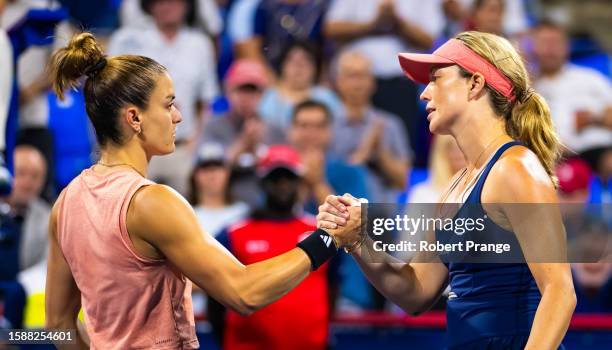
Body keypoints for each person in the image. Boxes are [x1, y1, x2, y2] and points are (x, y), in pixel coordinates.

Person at [44, 32, 363, 349]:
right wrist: (329, 239)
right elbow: (243, 293)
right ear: (134, 117)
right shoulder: (152, 202)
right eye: (168, 105)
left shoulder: (65, 203)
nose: (178, 116)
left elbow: (57, 326)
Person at [318, 31, 576, 349]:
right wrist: (360, 242)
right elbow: (415, 293)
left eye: (436, 78)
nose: (425, 94)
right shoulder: (455, 185)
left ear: (475, 83)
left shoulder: (516, 169)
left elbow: (559, 292)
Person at [208, 145, 336, 350]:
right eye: (275, 179)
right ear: (262, 182)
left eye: (289, 178)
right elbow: (216, 301)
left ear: (299, 182)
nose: (283, 185)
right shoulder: (233, 234)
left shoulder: (322, 233)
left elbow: (332, 287)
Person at [108, 0, 220, 195]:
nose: (168, 6)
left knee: (181, 218)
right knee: (132, 215)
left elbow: (206, 101)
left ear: (187, 5)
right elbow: (111, 93)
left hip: (182, 147)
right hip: (138, 145)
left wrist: (195, 143)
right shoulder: (127, 40)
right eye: (159, 1)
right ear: (149, 5)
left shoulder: (200, 44)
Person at [201, 59, 285, 208]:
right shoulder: (214, 126)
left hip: (267, 207)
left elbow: (282, 174)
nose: (246, 98)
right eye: (241, 90)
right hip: (225, 206)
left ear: (262, 95)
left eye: (252, 91)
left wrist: (257, 150)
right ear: (228, 90)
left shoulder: (274, 130)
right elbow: (207, 170)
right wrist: (243, 143)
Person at [331, 50, 411, 207]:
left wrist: (380, 152)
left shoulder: (390, 124)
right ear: (338, 82)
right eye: (351, 76)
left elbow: (403, 181)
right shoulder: (326, 124)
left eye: (362, 76)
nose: (357, 83)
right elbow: (325, 174)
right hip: (338, 214)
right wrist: (364, 151)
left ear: (373, 82)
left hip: (381, 216)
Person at [531, 20, 612, 167]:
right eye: (545, 42)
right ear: (533, 47)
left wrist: (594, 119)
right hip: (555, 161)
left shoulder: (591, 78)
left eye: (555, 42)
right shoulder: (529, 88)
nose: (550, 49)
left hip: (599, 152)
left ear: (566, 46)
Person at [258, 41, 342, 130]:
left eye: (306, 62)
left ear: (315, 68)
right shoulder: (269, 97)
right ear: (283, 66)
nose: (299, 67)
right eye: (293, 61)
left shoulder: (327, 96)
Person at [188, 142, 249, 238]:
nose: (212, 174)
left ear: (227, 173)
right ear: (195, 175)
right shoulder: (187, 214)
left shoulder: (243, 213)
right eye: (206, 168)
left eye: (217, 168)